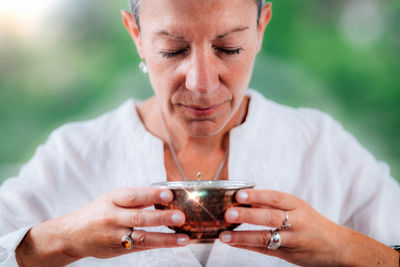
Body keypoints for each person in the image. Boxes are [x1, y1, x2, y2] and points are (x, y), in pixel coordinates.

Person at [0, 0, 399, 266]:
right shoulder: (73, 155)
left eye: (229, 48)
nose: (203, 83)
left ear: (261, 28)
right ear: (136, 35)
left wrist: (341, 246)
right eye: (173, 50)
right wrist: (60, 240)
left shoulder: (320, 146)